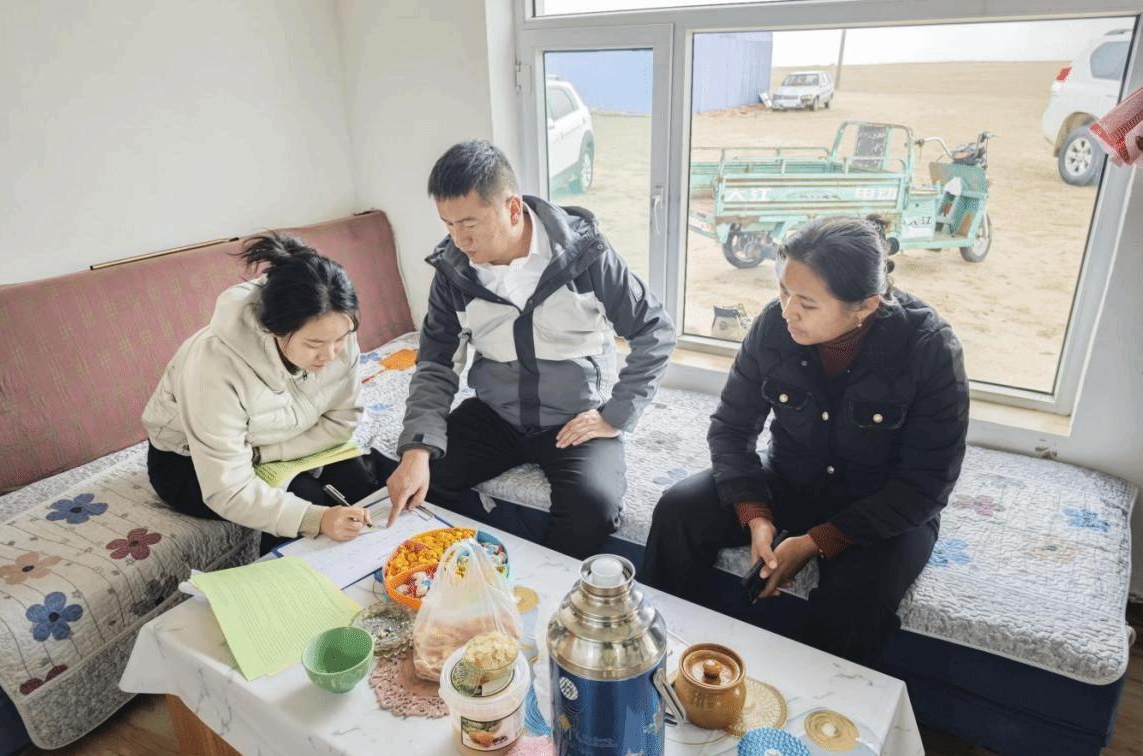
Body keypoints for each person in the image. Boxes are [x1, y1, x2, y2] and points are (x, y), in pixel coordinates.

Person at [640, 216, 969, 666]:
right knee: (678, 510)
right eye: (783, 291)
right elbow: (731, 428)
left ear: (865, 306)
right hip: (789, 478)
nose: (787, 311)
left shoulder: (928, 347)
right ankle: (658, 658)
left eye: (807, 304)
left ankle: (816, 704)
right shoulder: (773, 325)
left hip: (883, 507)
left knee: (854, 597)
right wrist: (755, 515)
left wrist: (817, 541)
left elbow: (928, 484)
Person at [385, 140, 675, 559]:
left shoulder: (585, 255)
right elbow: (435, 364)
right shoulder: (453, 272)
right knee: (425, 474)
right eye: (448, 225)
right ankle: (455, 575)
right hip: (496, 416)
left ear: (513, 208)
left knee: (593, 508)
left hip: (575, 419)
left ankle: (543, 586)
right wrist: (416, 449)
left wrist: (615, 415)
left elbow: (655, 330)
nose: (459, 239)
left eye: (469, 223)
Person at [143, 232, 380, 553]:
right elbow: (228, 489)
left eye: (340, 340)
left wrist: (265, 454)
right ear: (275, 330)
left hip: (274, 443)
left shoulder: (336, 329)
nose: (330, 355)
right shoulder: (212, 366)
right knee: (307, 503)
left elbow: (342, 422)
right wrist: (316, 518)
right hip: (189, 463)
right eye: (314, 344)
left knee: (360, 486)